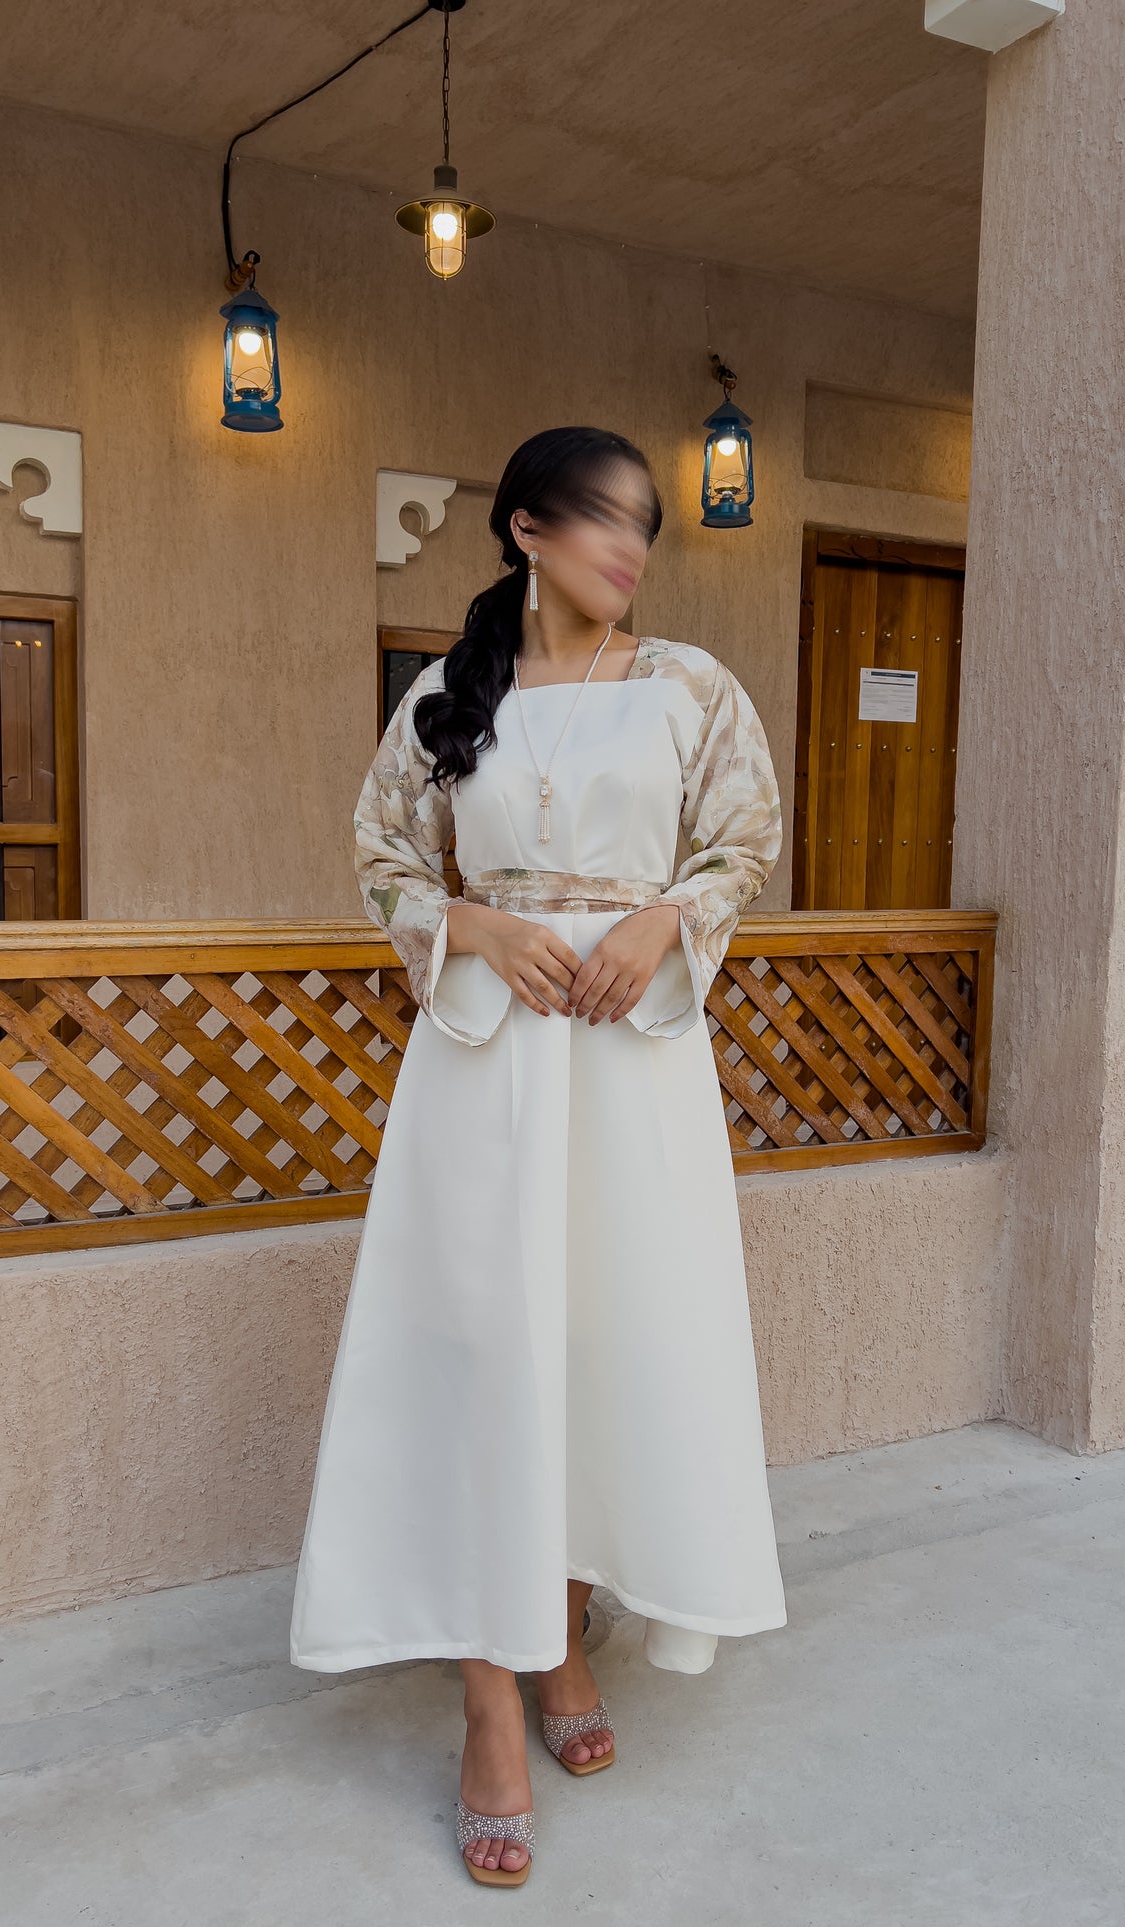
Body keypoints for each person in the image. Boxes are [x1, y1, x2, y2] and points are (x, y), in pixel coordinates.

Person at [289, 425, 787, 1887]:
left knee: (597, 1343)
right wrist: (468, 924)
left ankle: (560, 1639)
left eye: (643, 525)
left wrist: (661, 921)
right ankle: (488, 1705)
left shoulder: (689, 687)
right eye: (598, 520)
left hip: (632, 1066)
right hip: (486, 1067)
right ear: (522, 528)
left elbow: (739, 845)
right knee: (482, 1353)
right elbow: (383, 852)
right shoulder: (447, 699)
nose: (627, 549)